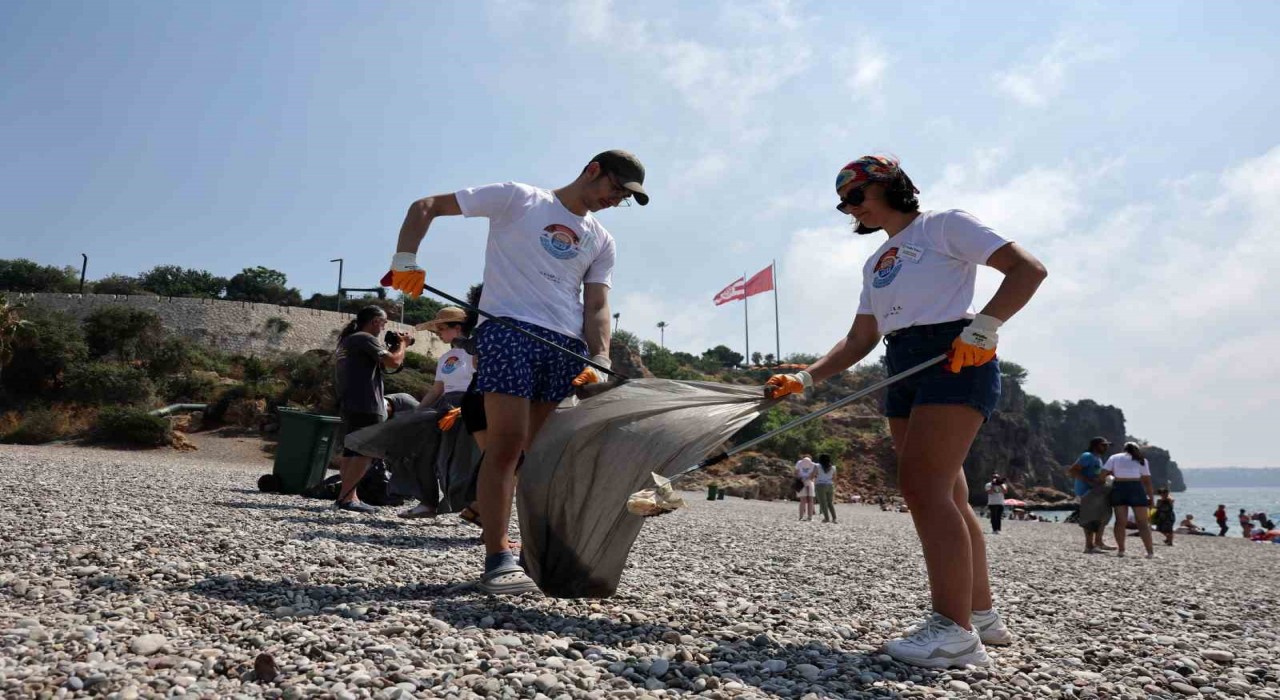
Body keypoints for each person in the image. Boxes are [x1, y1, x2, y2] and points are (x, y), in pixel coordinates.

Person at [764, 155, 1047, 668]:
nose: (850, 210)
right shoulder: (875, 262)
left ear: (890, 187)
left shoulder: (944, 225)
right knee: (953, 496)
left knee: (923, 489)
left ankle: (953, 632)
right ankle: (980, 614)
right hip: (900, 365)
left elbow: (1028, 270)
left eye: (856, 196)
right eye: (844, 203)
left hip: (954, 354)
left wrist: (984, 327)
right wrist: (805, 377)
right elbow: (859, 339)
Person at [384, 150, 648, 594]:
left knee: (535, 455)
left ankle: (532, 555)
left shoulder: (601, 239)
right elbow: (425, 206)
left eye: (624, 198)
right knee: (505, 446)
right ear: (593, 170)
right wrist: (405, 260)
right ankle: (497, 557)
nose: (614, 201)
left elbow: (597, 304)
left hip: (563, 346)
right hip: (507, 332)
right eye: (615, 189)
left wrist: (599, 358)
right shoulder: (518, 199)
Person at [396, 306, 476, 519]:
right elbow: (437, 390)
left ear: (457, 327)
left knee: (459, 460)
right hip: (444, 408)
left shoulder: (476, 352)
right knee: (424, 452)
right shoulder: (446, 358)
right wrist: (417, 413)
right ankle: (427, 502)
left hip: (469, 408)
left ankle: (470, 506)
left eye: (441, 328)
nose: (437, 333)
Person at [333, 306, 409, 513]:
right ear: (375, 321)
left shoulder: (348, 341)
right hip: (366, 404)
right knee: (365, 452)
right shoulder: (364, 338)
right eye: (383, 323)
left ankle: (347, 496)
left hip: (350, 403)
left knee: (352, 451)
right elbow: (393, 362)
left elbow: (381, 366)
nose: (384, 327)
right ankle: (348, 498)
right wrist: (402, 345)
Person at [1102, 442, 1156, 558]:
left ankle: (1121, 550)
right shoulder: (1141, 460)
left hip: (1119, 487)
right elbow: (1147, 481)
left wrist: (1108, 480)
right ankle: (1150, 552)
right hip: (1136, 487)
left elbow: (1102, 474)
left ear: (1124, 449)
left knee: (1120, 521)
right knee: (1142, 522)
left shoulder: (1114, 457)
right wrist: (1151, 498)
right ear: (1136, 449)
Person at [1068, 437, 1116, 553]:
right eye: (1103, 445)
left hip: (1097, 491)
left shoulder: (1098, 458)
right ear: (1095, 446)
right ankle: (1089, 546)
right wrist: (1088, 481)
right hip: (1087, 491)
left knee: (1102, 516)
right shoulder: (1087, 456)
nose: (1106, 447)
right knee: (1089, 518)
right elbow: (1073, 471)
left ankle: (1098, 542)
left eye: (1107, 445)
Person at [815, 454, 837, 523]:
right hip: (830, 485)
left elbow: (813, 474)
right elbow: (835, 478)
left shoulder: (817, 466)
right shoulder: (833, 467)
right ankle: (834, 518)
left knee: (823, 503)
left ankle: (826, 518)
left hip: (820, 485)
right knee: (830, 503)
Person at [794, 454, 817, 521]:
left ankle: (802, 517)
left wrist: (802, 479)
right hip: (807, 482)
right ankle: (808, 517)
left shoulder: (799, 463)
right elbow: (813, 475)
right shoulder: (813, 465)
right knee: (809, 500)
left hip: (803, 482)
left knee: (804, 500)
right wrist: (805, 479)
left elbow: (796, 473)